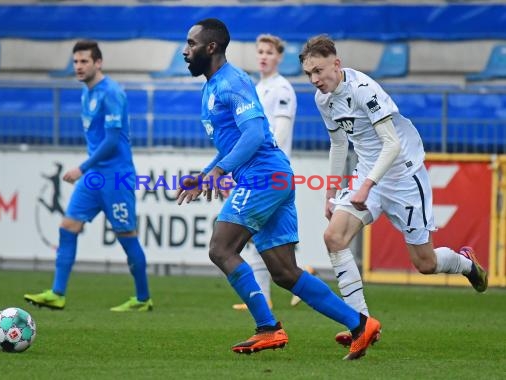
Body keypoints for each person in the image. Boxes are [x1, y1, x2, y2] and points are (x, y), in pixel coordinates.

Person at [177, 18, 380, 360]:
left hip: (264, 176)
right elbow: (232, 141)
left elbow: (256, 134)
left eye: (191, 44)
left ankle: (268, 328)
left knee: (220, 248)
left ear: (211, 47)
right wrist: (207, 173)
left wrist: (221, 170)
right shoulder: (211, 87)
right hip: (272, 177)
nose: (185, 51)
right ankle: (361, 325)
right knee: (284, 272)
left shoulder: (233, 82)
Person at [299, 34, 488, 346]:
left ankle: (465, 262)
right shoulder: (324, 99)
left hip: (402, 175)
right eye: (309, 74)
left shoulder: (364, 90)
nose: (315, 80)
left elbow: (392, 143)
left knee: (425, 263)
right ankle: (361, 325)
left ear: (337, 64)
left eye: (319, 71)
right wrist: (331, 193)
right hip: (367, 176)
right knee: (333, 237)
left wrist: (367, 185)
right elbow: (338, 143)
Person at [24, 40, 153, 312]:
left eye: (84, 61)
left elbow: (113, 140)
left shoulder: (112, 93)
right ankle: (57, 293)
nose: (78, 67)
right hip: (94, 178)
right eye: (75, 62)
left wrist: (82, 168)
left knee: (126, 235)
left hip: (116, 177)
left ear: (98, 63)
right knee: (68, 227)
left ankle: (143, 299)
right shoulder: (87, 93)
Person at [232, 34, 314, 311]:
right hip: (259, 171)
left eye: (269, 52)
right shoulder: (258, 87)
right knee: (263, 237)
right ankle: (292, 279)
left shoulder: (282, 88)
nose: (264, 56)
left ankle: (273, 290)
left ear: (279, 57)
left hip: (271, 172)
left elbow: (280, 132)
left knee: (255, 233)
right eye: (260, 51)